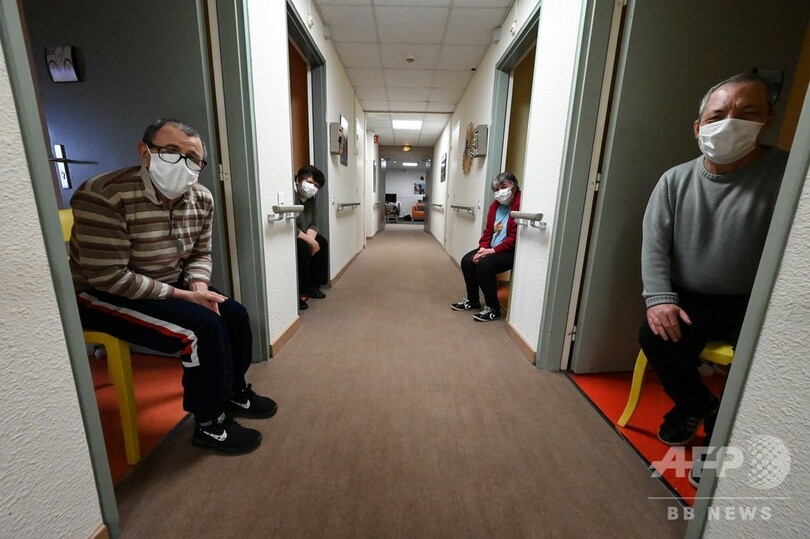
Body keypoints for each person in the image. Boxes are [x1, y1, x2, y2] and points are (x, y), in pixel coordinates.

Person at [70, 118, 277, 455]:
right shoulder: (104, 194)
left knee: (234, 315)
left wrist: (199, 287)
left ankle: (233, 392)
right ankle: (209, 423)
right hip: (100, 294)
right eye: (170, 151)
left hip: (167, 283)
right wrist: (185, 295)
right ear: (145, 152)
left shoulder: (202, 198)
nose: (182, 163)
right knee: (203, 328)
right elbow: (108, 277)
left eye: (193, 158)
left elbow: (200, 253)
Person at [639, 73, 788, 448]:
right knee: (655, 337)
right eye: (716, 116)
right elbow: (655, 245)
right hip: (690, 297)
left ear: (768, 120)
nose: (729, 124)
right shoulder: (675, 180)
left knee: (771, 358)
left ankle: (728, 433)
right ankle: (699, 405)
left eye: (747, 113)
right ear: (698, 127)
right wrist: (658, 299)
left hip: (757, 301)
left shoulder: (788, 176)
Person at [451, 172, 522, 322]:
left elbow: (514, 238)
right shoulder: (495, 206)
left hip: (509, 251)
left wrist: (492, 251)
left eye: (503, 187)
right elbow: (488, 233)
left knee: (484, 266)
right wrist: (483, 248)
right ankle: (473, 301)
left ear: (514, 186)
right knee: (467, 261)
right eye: (496, 189)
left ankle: (493, 308)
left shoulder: (520, 204)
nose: (500, 192)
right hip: (491, 248)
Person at [294, 165, 329, 310]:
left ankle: (314, 285)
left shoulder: (311, 198)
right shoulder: (291, 194)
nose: (312, 188)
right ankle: (301, 291)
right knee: (303, 248)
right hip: (293, 235)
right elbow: (290, 227)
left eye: (316, 186)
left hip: (305, 233)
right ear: (298, 180)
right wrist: (309, 242)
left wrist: (312, 240)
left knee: (322, 242)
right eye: (310, 182)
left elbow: (315, 223)